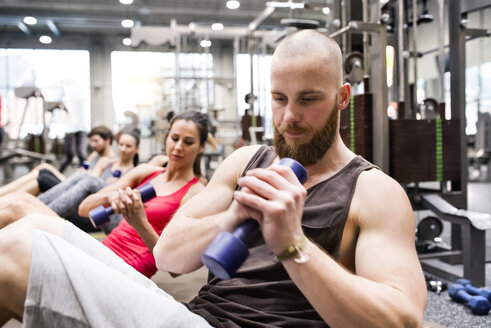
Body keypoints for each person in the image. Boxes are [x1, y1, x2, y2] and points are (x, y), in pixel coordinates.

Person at [0, 30, 426, 327]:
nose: (289, 117)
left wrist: (293, 245)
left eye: (308, 100)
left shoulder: (373, 191)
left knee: (15, 252)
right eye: (279, 99)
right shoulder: (245, 161)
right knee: (28, 222)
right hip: (190, 314)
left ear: (343, 99)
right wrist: (233, 215)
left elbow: (401, 321)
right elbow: (168, 257)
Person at [0, 111, 207, 280]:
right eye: (175, 138)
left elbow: (175, 269)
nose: (178, 147)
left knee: (18, 213)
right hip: (101, 250)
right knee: (21, 203)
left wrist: (139, 222)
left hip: (126, 269)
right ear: (166, 138)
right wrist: (112, 196)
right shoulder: (146, 172)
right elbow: (84, 209)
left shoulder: (195, 192)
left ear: (201, 147)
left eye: (188, 142)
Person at [0, 130, 141, 233]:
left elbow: (92, 182)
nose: (123, 149)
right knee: (44, 171)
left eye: (128, 146)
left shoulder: (135, 172)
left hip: (93, 214)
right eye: (121, 145)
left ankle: (28, 210)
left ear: (137, 149)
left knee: (44, 174)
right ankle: (16, 203)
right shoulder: (106, 162)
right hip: (78, 198)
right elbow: (88, 178)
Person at [0, 125, 115, 197]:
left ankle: (7, 197)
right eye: (91, 141)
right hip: (73, 183)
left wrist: (87, 174)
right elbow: (86, 167)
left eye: (96, 141)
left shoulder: (111, 161)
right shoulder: (95, 155)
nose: (93, 145)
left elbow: (99, 184)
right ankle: (4, 194)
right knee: (43, 168)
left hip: (77, 190)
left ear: (108, 141)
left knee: (43, 176)